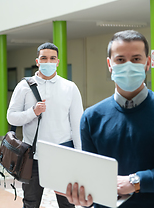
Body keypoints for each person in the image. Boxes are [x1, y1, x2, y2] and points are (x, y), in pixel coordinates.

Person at [65, 30, 154, 208]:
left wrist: (136, 182)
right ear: (109, 64)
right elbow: (91, 174)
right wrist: (82, 196)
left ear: (148, 63)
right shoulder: (92, 117)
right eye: (120, 59)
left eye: (136, 59)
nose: (128, 65)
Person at [7, 42, 83, 208]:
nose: (48, 61)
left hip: (63, 156)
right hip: (33, 156)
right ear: (37, 61)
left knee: (67, 204)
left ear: (58, 61)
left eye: (52, 58)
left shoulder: (70, 87)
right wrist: (32, 112)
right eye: (44, 58)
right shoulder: (24, 87)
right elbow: (11, 117)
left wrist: (79, 156)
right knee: (31, 203)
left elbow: (77, 125)